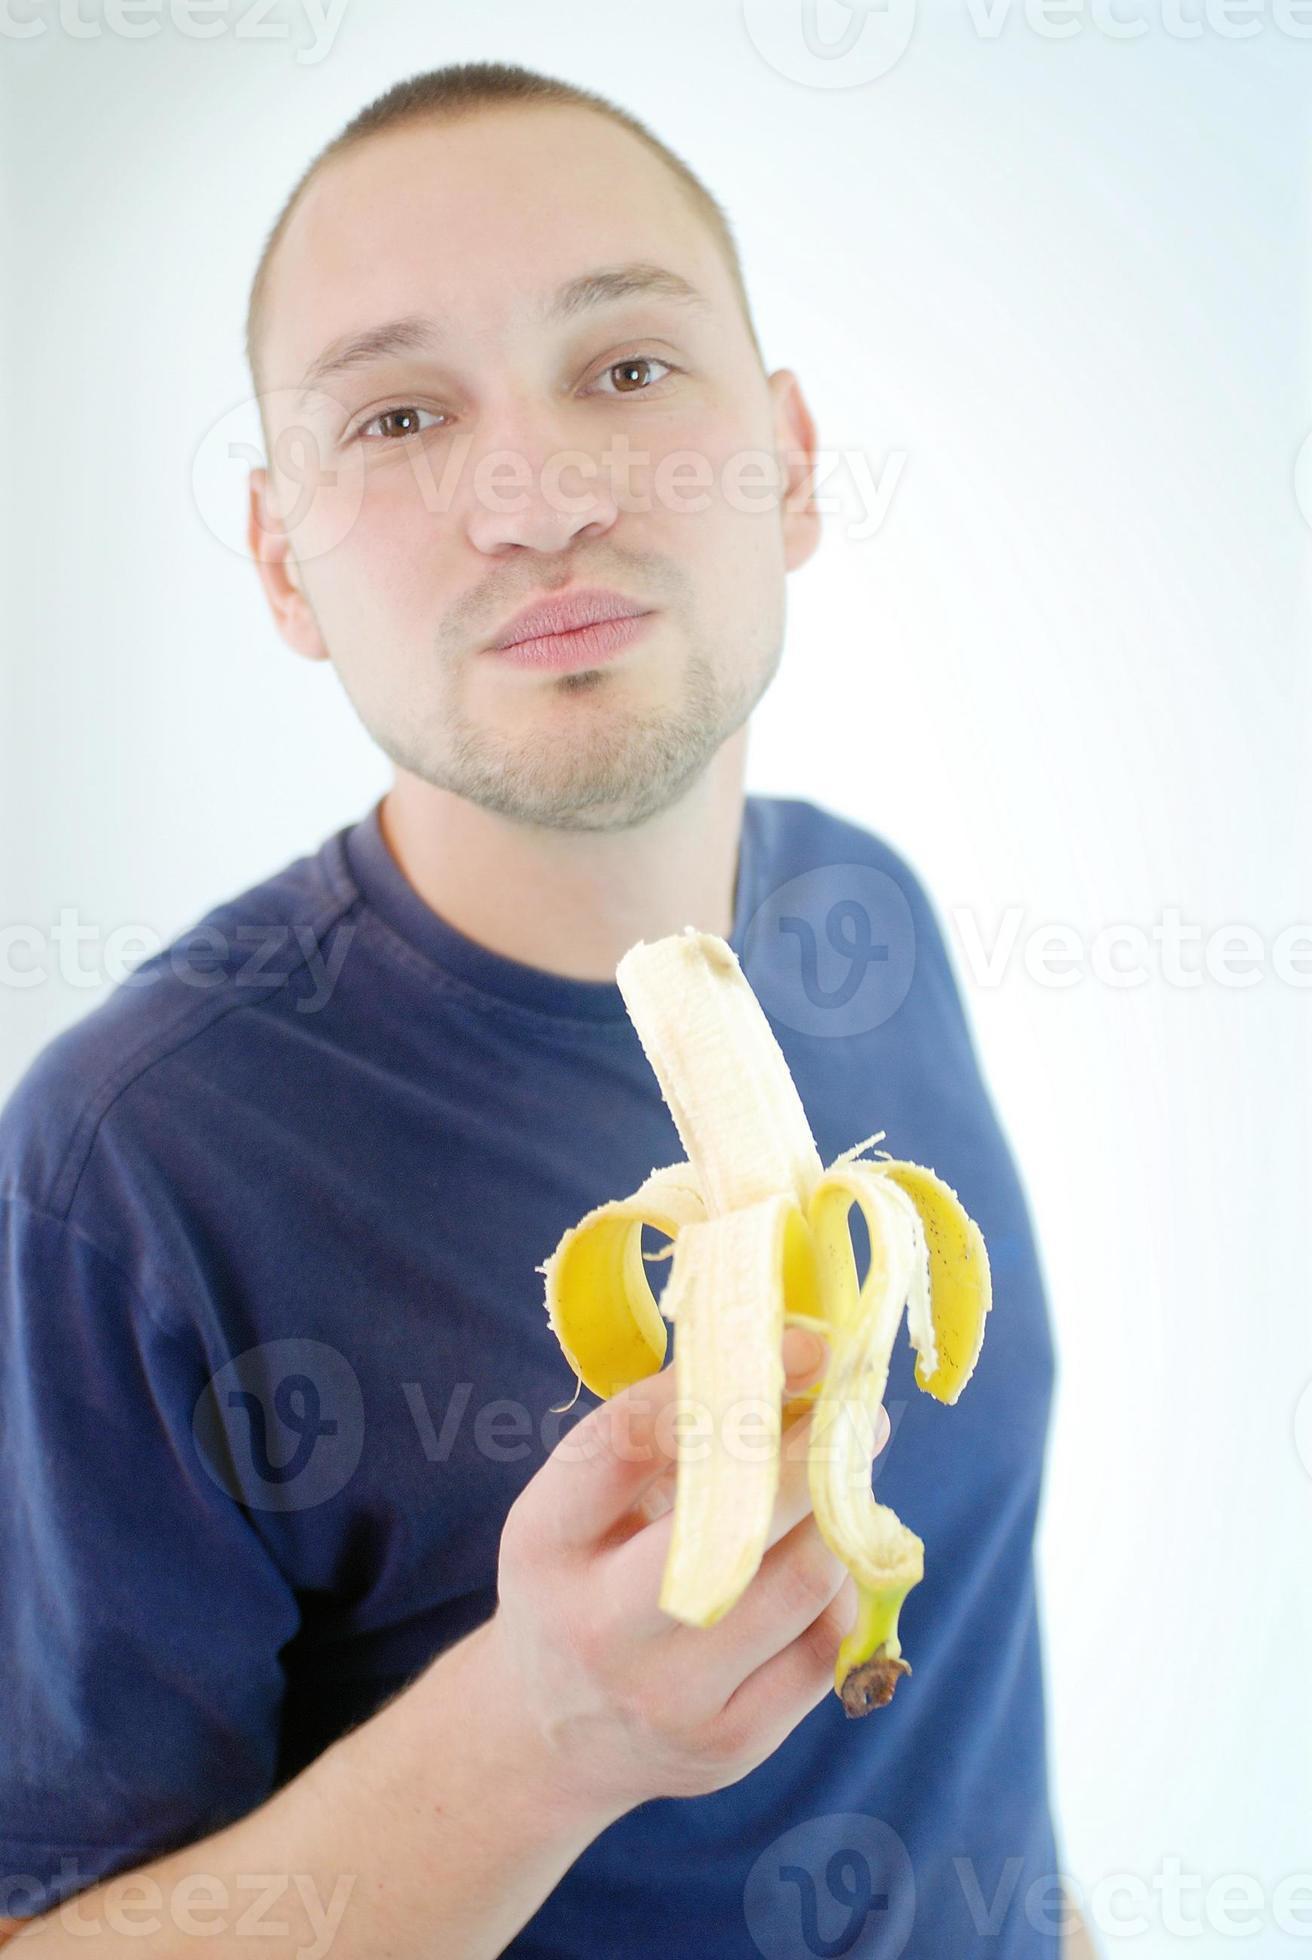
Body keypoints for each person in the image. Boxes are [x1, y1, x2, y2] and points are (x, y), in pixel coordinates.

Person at [0, 61, 1092, 1958]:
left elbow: (968, 1687)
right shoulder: (124, 1174)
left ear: (794, 458)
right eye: (403, 415)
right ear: (282, 564)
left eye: (628, 371)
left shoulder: (871, 914)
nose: (539, 497)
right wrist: (544, 1737)